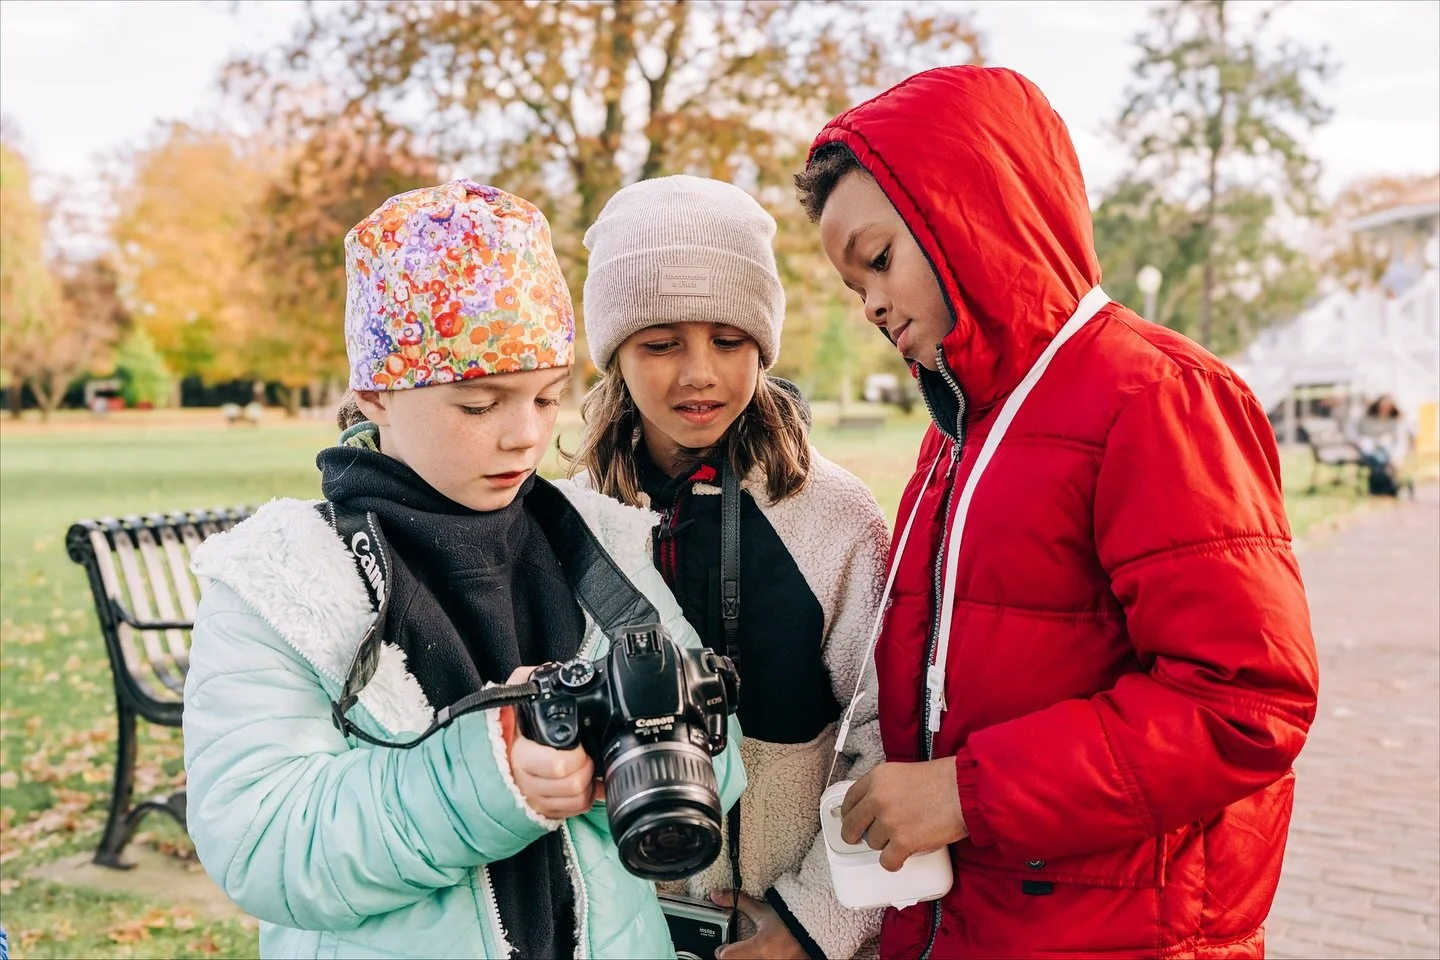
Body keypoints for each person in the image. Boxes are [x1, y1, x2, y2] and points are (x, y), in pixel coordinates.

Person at [793, 66, 1319, 958]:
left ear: (970, 214)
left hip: (1117, 933)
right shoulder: (958, 430)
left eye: (880, 259)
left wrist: (967, 792)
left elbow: (1246, 701)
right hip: (973, 923)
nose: (874, 304)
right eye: (855, 287)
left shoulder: (1156, 397)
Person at [182, 179, 744, 959]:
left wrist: (646, 749)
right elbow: (263, 843)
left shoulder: (598, 547)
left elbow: (721, 756)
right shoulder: (284, 585)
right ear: (376, 393)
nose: (524, 437)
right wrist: (495, 779)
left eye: (548, 399)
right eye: (479, 405)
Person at [570, 174, 891, 959]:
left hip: (801, 935)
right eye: (660, 343)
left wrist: (812, 923)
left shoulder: (835, 518)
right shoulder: (570, 523)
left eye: (728, 339)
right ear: (615, 349)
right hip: (622, 934)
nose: (698, 373)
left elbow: (890, 739)